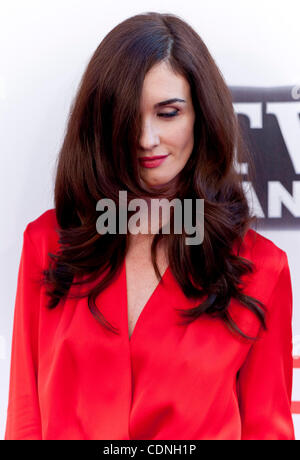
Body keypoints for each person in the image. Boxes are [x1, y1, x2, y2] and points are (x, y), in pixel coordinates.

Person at [5, 11, 295, 440]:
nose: (146, 138)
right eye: (127, 115)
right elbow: (25, 420)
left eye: (168, 112)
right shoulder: (48, 246)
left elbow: (266, 432)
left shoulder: (260, 269)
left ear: (201, 116)